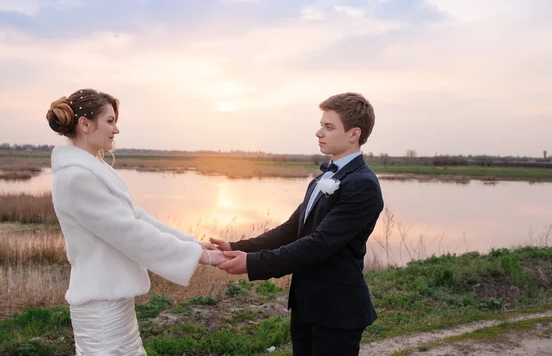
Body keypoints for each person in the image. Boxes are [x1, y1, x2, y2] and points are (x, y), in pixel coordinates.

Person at [46, 89, 226, 355]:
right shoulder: (76, 178)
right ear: (85, 124)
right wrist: (197, 255)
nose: (116, 130)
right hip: (100, 309)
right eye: (109, 121)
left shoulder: (92, 170)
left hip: (112, 300)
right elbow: (128, 232)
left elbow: (135, 217)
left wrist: (191, 243)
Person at [212, 92, 384, 356]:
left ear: (354, 134)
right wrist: (235, 246)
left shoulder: (363, 184)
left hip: (338, 310)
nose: (319, 132)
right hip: (306, 304)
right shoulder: (322, 178)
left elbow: (319, 244)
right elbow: (292, 230)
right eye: (321, 125)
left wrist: (252, 262)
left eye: (328, 127)